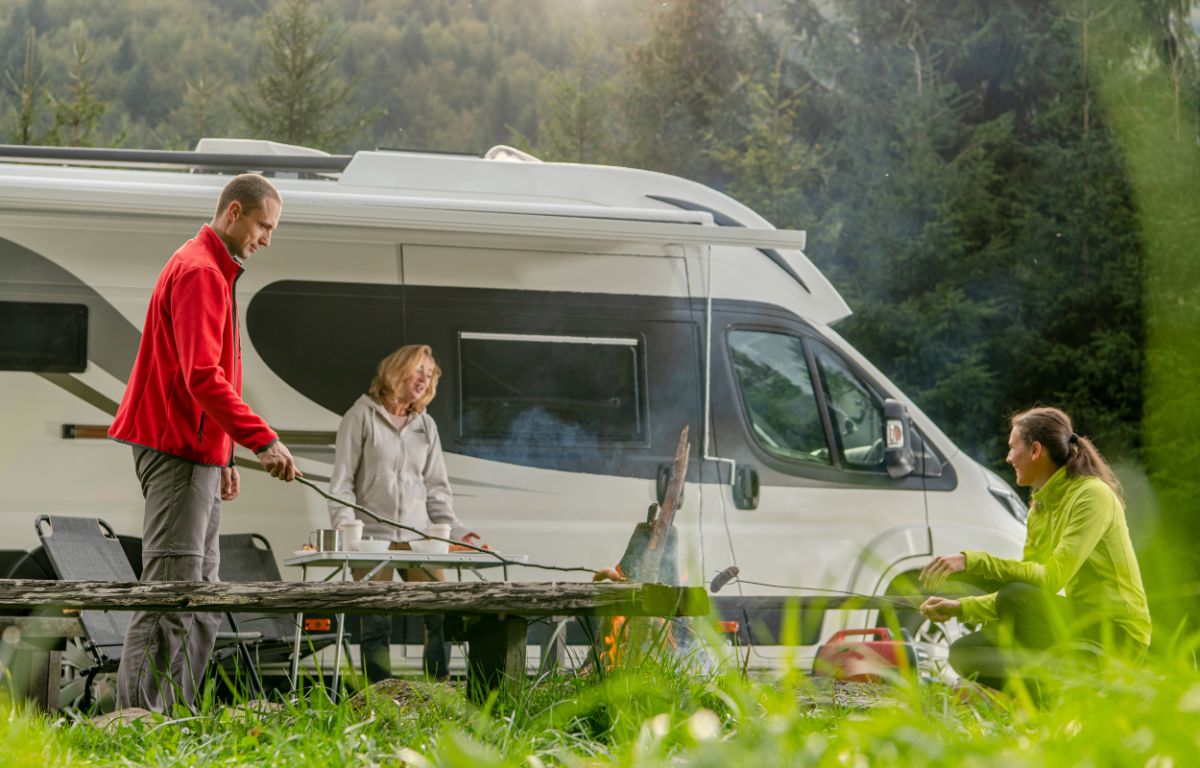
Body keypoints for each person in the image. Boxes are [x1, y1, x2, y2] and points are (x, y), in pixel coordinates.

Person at [108, 173, 300, 712]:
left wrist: (224, 453)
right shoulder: (199, 272)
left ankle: (179, 717)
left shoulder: (211, 268)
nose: (268, 238)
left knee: (203, 597)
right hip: (174, 452)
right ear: (235, 212)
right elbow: (201, 375)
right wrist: (261, 440)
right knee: (171, 593)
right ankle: (138, 721)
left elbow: (202, 380)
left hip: (195, 453)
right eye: (265, 225)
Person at [919, 406, 1151, 692]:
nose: (1008, 457)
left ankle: (1065, 696)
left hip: (1119, 634)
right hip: (1080, 623)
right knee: (965, 652)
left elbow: (1050, 578)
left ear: (1035, 450)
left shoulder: (1092, 495)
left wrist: (972, 562)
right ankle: (1043, 701)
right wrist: (960, 608)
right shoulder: (1039, 508)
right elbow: (1027, 587)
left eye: (1013, 448)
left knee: (1016, 596)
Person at [329, 344, 479, 682]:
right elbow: (341, 483)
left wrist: (457, 531)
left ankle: (437, 690)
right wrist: (346, 532)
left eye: (431, 374)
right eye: (419, 370)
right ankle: (379, 697)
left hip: (419, 538)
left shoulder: (425, 426)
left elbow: (437, 489)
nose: (425, 378)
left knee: (439, 613)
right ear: (397, 370)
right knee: (377, 621)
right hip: (371, 540)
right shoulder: (361, 416)